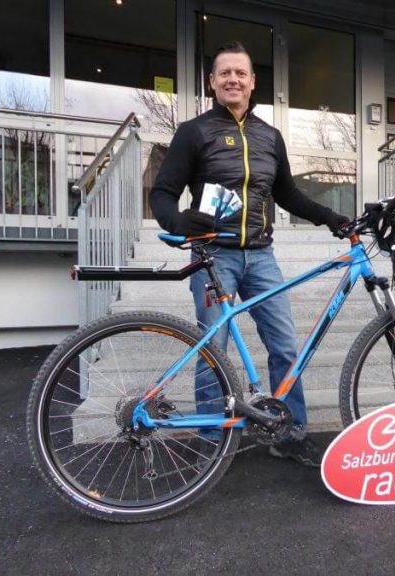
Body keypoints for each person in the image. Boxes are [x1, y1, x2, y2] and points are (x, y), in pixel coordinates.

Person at [149, 41, 349, 467]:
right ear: (212, 82)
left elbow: (289, 195)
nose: (233, 79)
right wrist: (177, 222)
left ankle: (291, 433)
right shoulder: (194, 131)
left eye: (240, 73)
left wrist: (333, 218)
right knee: (212, 353)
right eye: (225, 73)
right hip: (213, 258)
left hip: (260, 256)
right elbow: (162, 192)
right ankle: (209, 441)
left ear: (253, 82)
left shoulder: (269, 137)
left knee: (283, 346)